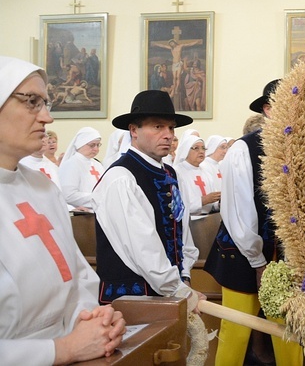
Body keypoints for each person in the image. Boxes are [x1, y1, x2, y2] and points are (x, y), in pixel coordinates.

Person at [0, 56, 125, 364]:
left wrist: (93, 321)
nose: (47, 118)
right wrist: (64, 349)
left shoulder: (44, 189)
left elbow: (78, 273)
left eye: (46, 103)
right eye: (31, 102)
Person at [205, 79, 303, 366]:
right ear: (269, 109)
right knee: (236, 330)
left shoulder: (301, 147)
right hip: (242, 253)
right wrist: (257, 261)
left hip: (287, 258)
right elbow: (238, 211)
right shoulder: (243, 150)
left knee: (290, 332)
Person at [91, 90, 205, 312]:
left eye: (171, 127)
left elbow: (181, 232)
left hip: (171, 294)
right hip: (132, 301)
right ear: (134, 130)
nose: (168, 135)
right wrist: (179, 290)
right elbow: (143, 247)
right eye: (157, 127)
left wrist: (185, 276)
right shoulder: (121, 178)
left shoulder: (171, 175)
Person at [59, 127, 105, 211]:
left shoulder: (98, 165)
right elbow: (68, 195)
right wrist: (96, 198)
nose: (96, 149)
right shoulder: (71, 164)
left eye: (98, 145)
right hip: (83, 214)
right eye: (92, 145)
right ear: (81, 144)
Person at [173, 134, 220, 215]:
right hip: (189, 220)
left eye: (203, 148)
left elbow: (212, 205)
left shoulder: (206, 172)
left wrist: (219, 203)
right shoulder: (177, 172)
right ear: (186, 150)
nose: (201, 151)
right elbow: (178, 204)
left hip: (208, 219)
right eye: (196, 148)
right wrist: (203, 200)